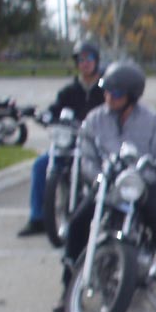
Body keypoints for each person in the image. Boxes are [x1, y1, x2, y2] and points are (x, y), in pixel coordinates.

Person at [55, 61, 156, 312]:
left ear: (132, 95)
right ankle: (68, 286)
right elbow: (86, 155)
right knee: (78, 223)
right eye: (106, 91)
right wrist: (97, 176)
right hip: (106, 184)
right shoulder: (94, 119)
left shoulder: (153, 119)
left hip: (141, 184)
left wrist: (144, 176)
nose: (109, 97)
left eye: (116, 93)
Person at [17, 40, 105, 236]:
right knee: (41, 165)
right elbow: (54, 110)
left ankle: (107, 216)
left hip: (96, 146)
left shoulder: (104, 90)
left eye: (89, 58)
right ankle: (37, 218)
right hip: (70, 143)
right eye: (80, 59)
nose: (85, 63)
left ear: (96, 60)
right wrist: (42, 115)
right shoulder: (69, 91)